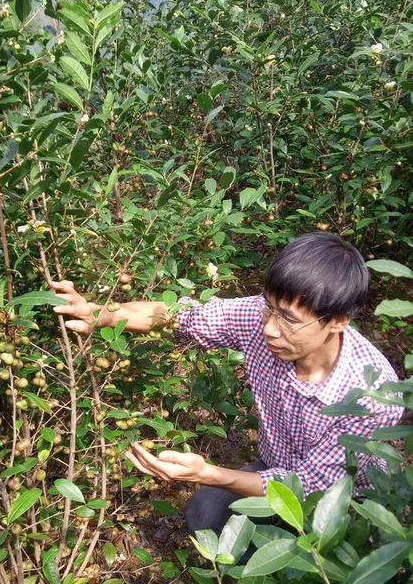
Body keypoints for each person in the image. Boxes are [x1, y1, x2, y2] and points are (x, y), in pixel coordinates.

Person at [51, 232, 403, 542]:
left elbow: (310, 487)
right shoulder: (261, 318)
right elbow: (180, 315)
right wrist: (105, 315)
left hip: (343, 502)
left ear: (338, 321)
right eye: (270, 308)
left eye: (289, 319)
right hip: (276, 466)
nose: (270, 329)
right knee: (204, 514)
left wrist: (207, 472)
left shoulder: (370, 395)